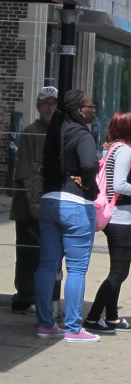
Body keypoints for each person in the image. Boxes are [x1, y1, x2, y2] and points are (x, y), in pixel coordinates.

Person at [35, 89, 100, 343]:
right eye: (91, 106)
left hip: (49, 201)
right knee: (76, 269)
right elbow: (90, 164)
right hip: (75, 205)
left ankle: (45, 324)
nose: (94, 110)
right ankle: (73, 328)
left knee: (47, 265)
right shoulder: (83, 134)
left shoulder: (55, 131)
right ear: (80, 110)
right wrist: (89, 185)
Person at [83, 111, 131, 334]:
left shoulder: (111, 148)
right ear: (127, 128)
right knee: (119, 272)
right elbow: (119, 185)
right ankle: (93, 318)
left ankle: (112, 317)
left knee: (116, 270)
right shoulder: (124, 150)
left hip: (113, 215)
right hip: (118, 219)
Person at [10, 86, 58, 314]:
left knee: (47, 254)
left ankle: (44, 296)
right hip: (31, 205)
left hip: (52, 204)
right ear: (38, 106)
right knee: (29, 252)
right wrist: (34, 200)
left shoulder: (60, 132)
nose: (50, 107)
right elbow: (26, 172)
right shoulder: (31, 131)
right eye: (46, 103)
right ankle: (24, 297)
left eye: (54, 103)